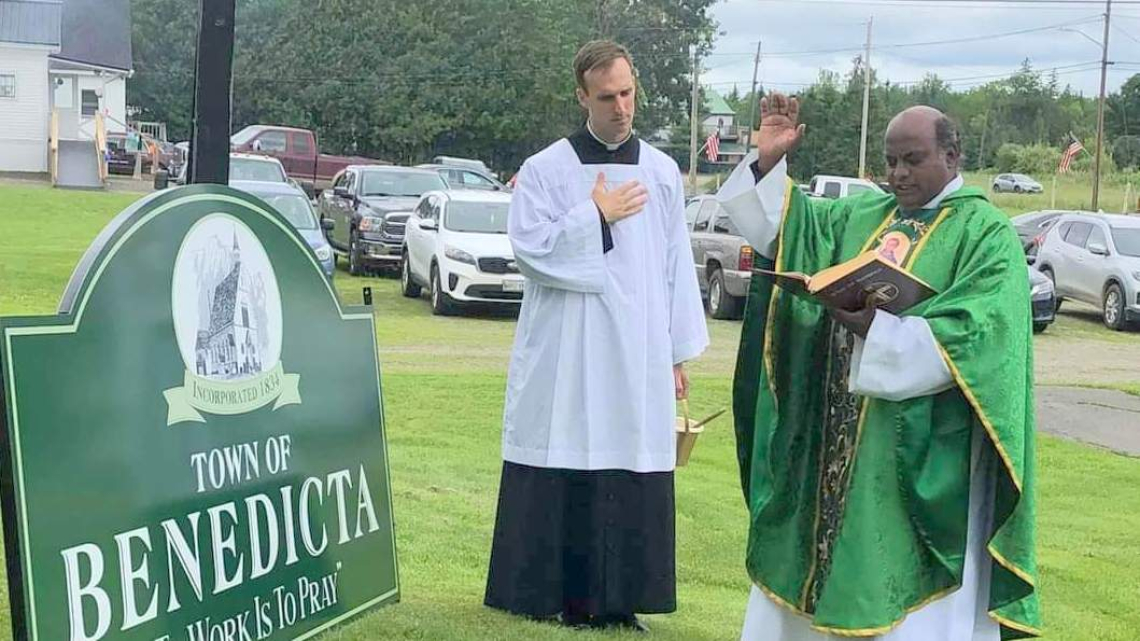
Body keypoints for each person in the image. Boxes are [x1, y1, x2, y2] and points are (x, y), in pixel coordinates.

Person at [718, 93, 1040, 640]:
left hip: (919, 455)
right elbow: (788, 231)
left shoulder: (986, 234)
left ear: (953, 156)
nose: (897, 173)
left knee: (897, 593)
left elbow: (979, 336)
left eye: (912, 159)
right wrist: (770, 161)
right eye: (890, 160)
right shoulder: (866, 212)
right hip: (829, 448)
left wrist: (877, 328)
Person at [484, 40, 708, 632]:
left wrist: (678, 351)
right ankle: (551, 594)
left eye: (628, 93)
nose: (621, 107)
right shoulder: (546, 170)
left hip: (636, 350)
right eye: (607, 96)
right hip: (566, 346)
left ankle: (619, 601)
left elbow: (675, 265)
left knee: (627, 458)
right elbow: (530, 251)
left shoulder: (660, 172)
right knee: (565, 447)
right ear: (582, 96)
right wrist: (595, 216)